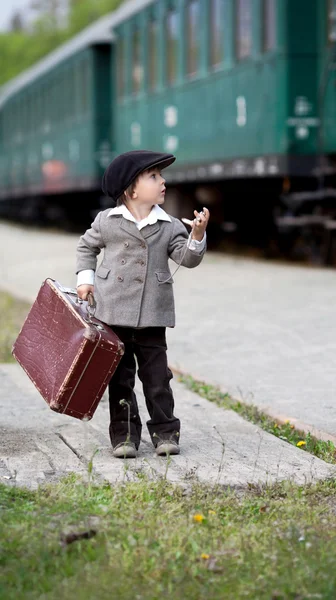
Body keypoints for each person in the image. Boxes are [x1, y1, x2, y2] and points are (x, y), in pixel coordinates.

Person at [76, 150, 209, 458]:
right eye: (154, 176)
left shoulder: (169, 225)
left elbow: (186, 258)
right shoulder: (107, 222)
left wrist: (197, 235)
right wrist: (86, 278)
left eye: (160, 176)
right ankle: (124, 437)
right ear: (131, 190)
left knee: (157, 379)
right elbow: (86, 246)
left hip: (152, 313)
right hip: (112, 312)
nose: (163, 181)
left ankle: (165, 433)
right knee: (119, 379)